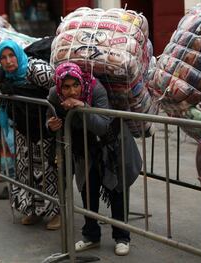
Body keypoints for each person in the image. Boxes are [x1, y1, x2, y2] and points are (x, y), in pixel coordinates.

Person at [47, 62, 142, 256]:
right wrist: (51, 125)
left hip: (112, 144)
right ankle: (91, 235)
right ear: (59, 87)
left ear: (82, 82)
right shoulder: (54, 96)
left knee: (116, 189)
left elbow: (102, 126)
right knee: (87, 190)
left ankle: (122, 237)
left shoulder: (96, 89)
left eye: (75, 85)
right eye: (66, 87)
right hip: (85, 148)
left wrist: (83, 106)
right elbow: (51, 118)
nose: (72, 91)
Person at [0, 39, 60, 229]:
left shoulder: (36, 70)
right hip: (23, 130)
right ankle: (33, 210)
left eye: (11, 55)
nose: (8, 61)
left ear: (18, 55)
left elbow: (58, 90)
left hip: (46, 128)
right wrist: (0, 114)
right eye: (3, 57)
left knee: (49, 171)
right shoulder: (3, 76)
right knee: (27, 170)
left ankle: (57, 213)